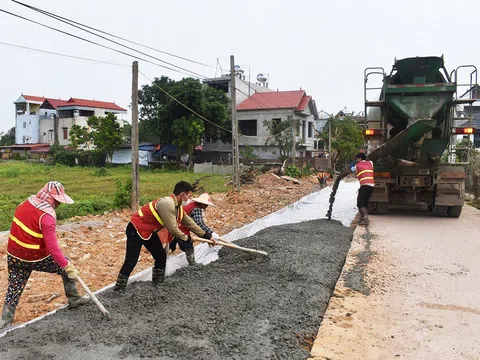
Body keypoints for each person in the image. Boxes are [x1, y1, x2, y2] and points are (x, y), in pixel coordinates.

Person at [0, 181, 89, 329]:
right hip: (35, 256)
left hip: (15, 255)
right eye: (57, 200)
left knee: (14, 287)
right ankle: (74, 299)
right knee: (65, 268)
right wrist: (67, 266)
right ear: (51, 198)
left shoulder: (25, 203)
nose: (58, 204)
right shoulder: (47, 216)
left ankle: (5, 321)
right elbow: (53, 248)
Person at [114, 181, 217, 293]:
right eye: (189, 196)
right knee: (131, 260)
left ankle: (158, 285)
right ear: (183, 195)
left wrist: (207, 236)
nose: (189, 199)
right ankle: (119, 290)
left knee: (160, 256)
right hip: (136, 228)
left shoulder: (178, 207)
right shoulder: (167, 204)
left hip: (149, 231)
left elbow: (190, 223)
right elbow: (172, 228)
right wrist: (186, 238)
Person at [168, 193, 219, 266]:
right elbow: (199, 224)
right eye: (206, 204)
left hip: (175, 225)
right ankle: (192, 264)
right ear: (201, 203)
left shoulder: (192, 205)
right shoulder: (197, 209)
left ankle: (163, 258)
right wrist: (210, 234)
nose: (206, 206)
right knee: (188, 244)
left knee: (171, 242)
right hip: (181, 228)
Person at [340, 152, 375, 225]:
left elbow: (353, 171)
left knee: (360, 204)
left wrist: (353, 165)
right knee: (365, 203)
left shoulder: (357, 166)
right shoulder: (370, 163)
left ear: (359, 158)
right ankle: (363, 218)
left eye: (357, 159)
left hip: (364, 186)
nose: (357, 160)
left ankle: (365, 219)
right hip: (371, 186)